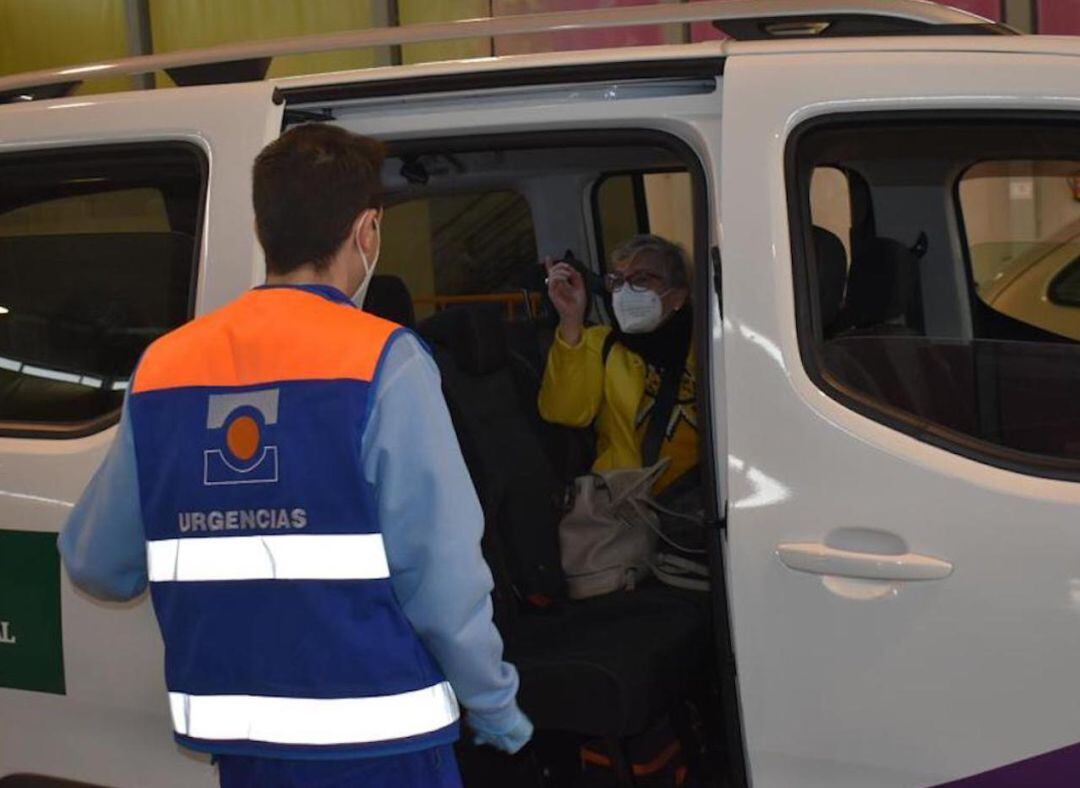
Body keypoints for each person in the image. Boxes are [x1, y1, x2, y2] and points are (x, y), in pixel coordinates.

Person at [58, 123, 531, 788]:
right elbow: (445, 583)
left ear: (262, 228)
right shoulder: (385, 363)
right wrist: (497, 707)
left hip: (249, 753)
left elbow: (96, 563)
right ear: (367, 231)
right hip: (383, 746)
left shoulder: (163, 367)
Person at [539, 234, 697, 493]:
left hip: (709, 501)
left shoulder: (706, 343)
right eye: (618, 281)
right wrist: (570, 321)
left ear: (678, 295)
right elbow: (563, 411)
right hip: (630, 509)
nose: (626, 292)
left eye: (641, 280)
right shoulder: (601, 344)